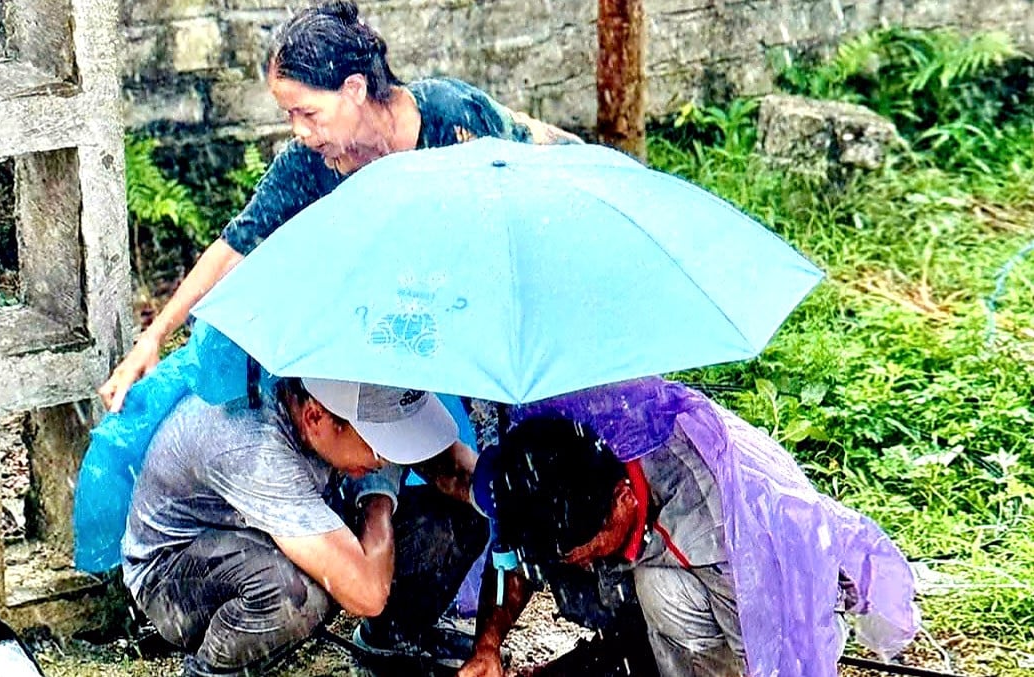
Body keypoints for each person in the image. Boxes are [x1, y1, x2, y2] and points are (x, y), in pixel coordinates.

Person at [98, 0, 581, 413]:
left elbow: (521, 199)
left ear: (353, 89)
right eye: (290, 115)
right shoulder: (313, 162)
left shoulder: (450, 118)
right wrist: (155, 336)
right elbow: (235, 244)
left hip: (544, 219)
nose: (299, 130)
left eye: (307, 112)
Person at [458, 378, 919, 677]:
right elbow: (515, 559)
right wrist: (488, 645)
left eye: (585, 545)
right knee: (630, 589)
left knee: (658, 587)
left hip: (785, 598)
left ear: (623, 497)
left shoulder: (717, 526)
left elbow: (765, 652)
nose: (577, 558)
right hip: (676, 558)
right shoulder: (549, 449)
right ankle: (633, 649)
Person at [122, 377, 486, 676]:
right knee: (299, 592)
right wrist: (378, 499)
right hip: (174, 575)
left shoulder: (331, 397)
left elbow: (461, 473)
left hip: (270, 533)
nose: (387, 458)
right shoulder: (252, 444)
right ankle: (214, 672)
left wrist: (508, 494)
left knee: (462, 513)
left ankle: (391, 638)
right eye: (381, 444)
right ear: (315, 417)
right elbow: (366, 594)